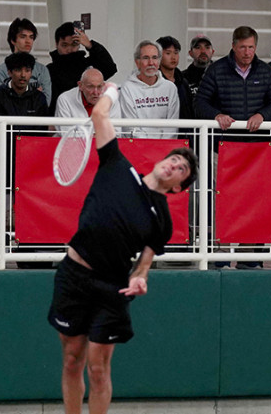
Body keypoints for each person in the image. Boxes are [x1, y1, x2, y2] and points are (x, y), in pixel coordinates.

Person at [47, 81, 197, 414]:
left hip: (111, 286)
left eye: (182, 169)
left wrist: (140, 277)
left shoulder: (162, 220)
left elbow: (143, 263)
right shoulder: (117, 164)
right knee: (72, 359)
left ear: (178, 188)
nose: (174, 164)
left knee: (98, 368)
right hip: (74, 274)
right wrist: (113, 89)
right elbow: (100, 112)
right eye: (174, 158)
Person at [194, 26, 271, 135]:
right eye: (242, 47)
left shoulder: (265, 71)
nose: (247, 52)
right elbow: (199, 103)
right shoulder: (216, 70)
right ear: (233, 46)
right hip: (224, 140)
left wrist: (262, 115)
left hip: (258, 141)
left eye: (251, 47)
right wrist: (217, 115)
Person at [48, 22, 117, 113]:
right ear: (56, 44)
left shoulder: (87, 66)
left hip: (87, 117)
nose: (69, 49)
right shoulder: (49, 70)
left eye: (73, 44)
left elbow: (110, 68)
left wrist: (90, 45)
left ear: (79, 44)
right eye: (64, 45)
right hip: (58, 118)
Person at [119, 41, 180, 139]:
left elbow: (172, 126)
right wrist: (149, 146)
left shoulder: (170, 88)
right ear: (137, 62)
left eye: (155, 58)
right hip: (138, 148)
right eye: (146, 58)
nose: (151, 63)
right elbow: (129, 126)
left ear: (159, 62)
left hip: (166, 148)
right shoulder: (127, 88)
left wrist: (161, 146)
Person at [0, 18, 51, 102]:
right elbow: (2, 101)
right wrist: (35, 94)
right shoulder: (1, 71)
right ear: (13, 40)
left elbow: (46, 102)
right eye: (23, 37)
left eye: (31, 37)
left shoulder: (42, 70)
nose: (28, 41)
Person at [0, 51, 50, 118]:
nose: (23, 75)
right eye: (18, 70)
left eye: (27, 70)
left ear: (31, 72)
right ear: (9, 72)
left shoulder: (39, 98)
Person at [56, 67, 122, 123]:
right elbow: (66, 133)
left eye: (99, 87)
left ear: (104, 86)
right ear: (80, 86)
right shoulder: (65, 99)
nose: (96, 92)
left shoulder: (111, 100)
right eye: (91, 87)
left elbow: (116, 133)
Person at [156, 36, 194, 119]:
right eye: (168, 53)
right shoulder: (154, 82)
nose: (173, 57)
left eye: (176, 53)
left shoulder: (183, 82)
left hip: (185, 129)